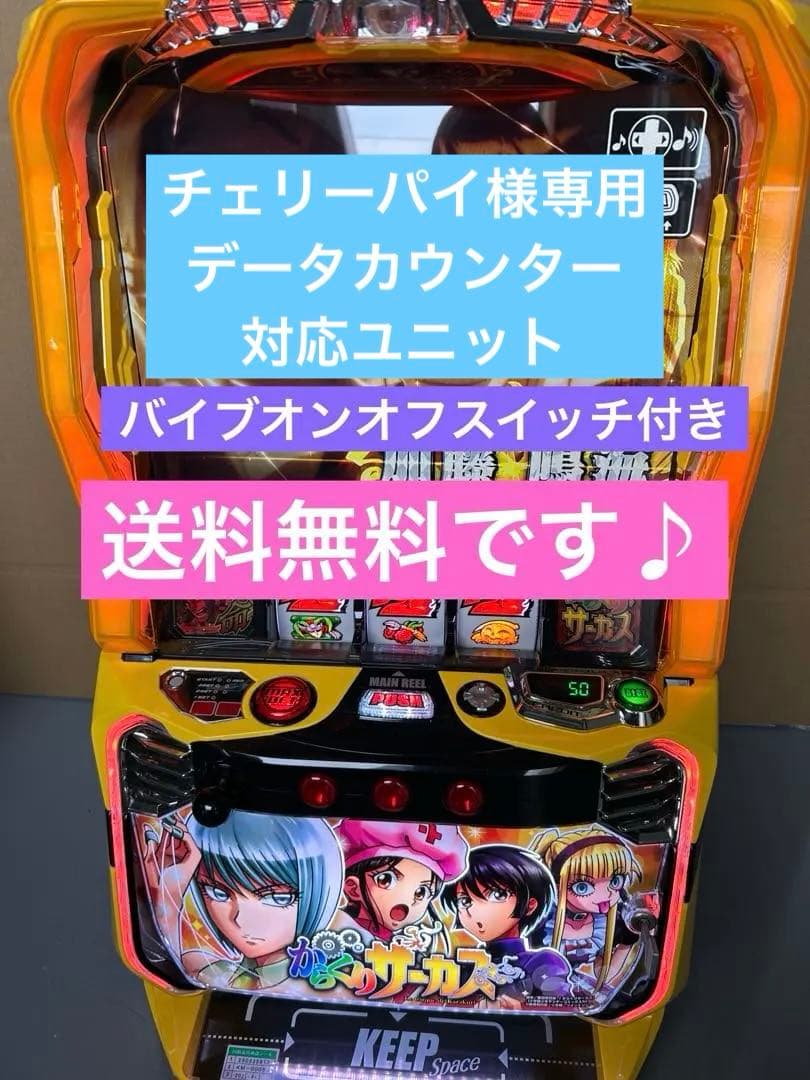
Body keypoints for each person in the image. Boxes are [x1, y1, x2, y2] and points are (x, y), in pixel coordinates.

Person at [139, 809, 342, 991]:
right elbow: (168, 963)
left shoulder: (326, 984)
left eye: (278, 898)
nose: (241, 920)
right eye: (218, 893)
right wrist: (170, 891)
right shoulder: (219, 973)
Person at [442, 844, 572, 1000]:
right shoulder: (462, 966)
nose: (477, 910)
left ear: (529, 906)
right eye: (465, 901)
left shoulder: (542, 962)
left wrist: (522, 1006)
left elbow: (560, 1002)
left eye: (498, 895)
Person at [531, 826, 642, 991]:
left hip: (568, 991)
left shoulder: (608, 922)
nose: (606, 894)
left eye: (615, 881)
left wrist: (631, 934)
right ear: (557, 885)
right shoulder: (540, 919)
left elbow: (603, 974)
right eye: (582, 887)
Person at [333, 819, 468, 948]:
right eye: (385, 880)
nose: (406, 901)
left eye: (421, 892)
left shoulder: (389, 939)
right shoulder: (340, 929)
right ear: (353, 888)